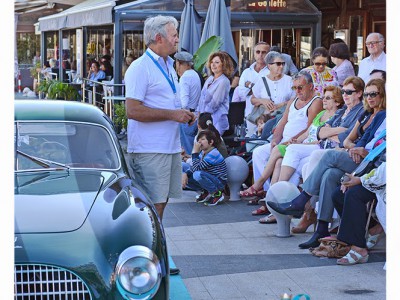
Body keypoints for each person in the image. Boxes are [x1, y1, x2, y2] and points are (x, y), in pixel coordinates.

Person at [124, 15, 195, 275]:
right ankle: (147, 263)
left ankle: (155, 258)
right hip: (149, 150)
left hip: (168, 147)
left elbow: (166, 103)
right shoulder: (140, 68)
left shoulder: (167, 64)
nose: (177, 38)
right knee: (150, 211)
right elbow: (133, 110)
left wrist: (181, 114)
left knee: (160, 207)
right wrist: (172, 114)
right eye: (174, 34)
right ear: (158, 38)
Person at [267, 112, 386, 249]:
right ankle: (321, 229)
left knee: (329, 156)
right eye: (367, 94)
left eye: (373, 94)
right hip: (359, 156)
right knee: (330, 174)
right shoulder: (378, 115)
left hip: (374, 163)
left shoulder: (363, 112)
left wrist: (362, 151)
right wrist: (355, 149)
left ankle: (302, 201)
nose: (369, 97)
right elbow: (358, 140)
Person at [244, 86, 343, 222]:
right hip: (306, 147)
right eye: (324, 97)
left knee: (286, 152)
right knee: (278, 161)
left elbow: (323, 139)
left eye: (328, 98)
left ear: (337, 102)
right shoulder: (321, 114)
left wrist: (299, 144)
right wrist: (296, 140)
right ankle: (273, 202)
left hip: (315, 148)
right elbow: (308, 132)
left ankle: (268, 192)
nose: (323, 100)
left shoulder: (336, 117)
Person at [241, 71, 323, 212]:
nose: (297, 91)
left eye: (300, 87)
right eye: (294, 88)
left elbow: (310, 129)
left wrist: (291, 141)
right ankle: (266, 191)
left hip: (299, 144)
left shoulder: (315, 102)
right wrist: (275, 139)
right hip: (285, 142)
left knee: (277, 157)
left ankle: (260, 188)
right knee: (259, 152)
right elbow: (282, 122)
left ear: (310, 86)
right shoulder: (293, 101)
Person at [332, 161, 386, 266]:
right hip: (375, 174)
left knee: (353, 194)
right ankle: (373, 228)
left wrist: (360, 180)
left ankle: (358, 248)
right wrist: (353, 178)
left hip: (385, 180)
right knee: (338, 194)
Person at [249, 51, 295, 136]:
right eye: (278, 64)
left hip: (282, 120)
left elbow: (295, 100)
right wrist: (262, 101)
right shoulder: (261, 80)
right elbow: (252, 100)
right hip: (264, 120)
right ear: (269, 65)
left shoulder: (289, 81)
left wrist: (281, 104)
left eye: (283, 64)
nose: (281, 66)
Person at [182, 130, 228, 206]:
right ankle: (206, 190)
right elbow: (194, 167)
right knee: (183, 166)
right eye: (198, 140)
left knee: (197, 174)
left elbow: (197, 168)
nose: (199, 142)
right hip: (210, 178)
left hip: (219, 183)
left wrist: (195, 153)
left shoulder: (213, 153)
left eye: (202, 139)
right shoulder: (203, 152)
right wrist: (185, 174)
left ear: (211, 142)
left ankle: (217, 193)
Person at [236, 41, 271, 134]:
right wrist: (259, 89)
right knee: (250, 141)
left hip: (267, 114)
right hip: (250, 114)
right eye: (258, 52)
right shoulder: (246, 72)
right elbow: (241, 93)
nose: (260, 55)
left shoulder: (272, 72)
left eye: (264, 52)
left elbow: (270, 93)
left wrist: (250, 85)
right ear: (254, 54)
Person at [197, 51, 234, 136]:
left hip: (216, 120)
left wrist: (203, 116)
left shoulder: (224, 81)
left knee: (212, 145)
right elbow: (201, 98)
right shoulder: (210, 79)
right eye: (212, 62)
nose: (213, 65)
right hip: (204, 119)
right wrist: (199, 114)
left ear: (224, 65)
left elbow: (216, 102)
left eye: (217, 62)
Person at [174, 51, 202, 155]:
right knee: (193, 150)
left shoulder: (185, 77)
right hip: (195, 115)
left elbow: (184, 103)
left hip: (186, 117)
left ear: (179, 63)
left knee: (187, 152)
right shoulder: (194, 74)